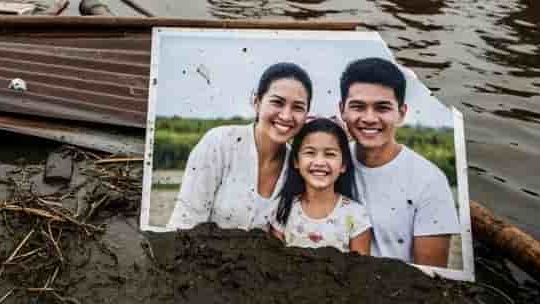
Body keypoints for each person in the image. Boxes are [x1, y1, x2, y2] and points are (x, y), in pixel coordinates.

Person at [339, 58, 458, 267]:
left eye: (382, 108)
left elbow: (431, 276)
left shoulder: (429, 181)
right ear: (342, 110)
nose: (369, 118)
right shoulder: (329, 165)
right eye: (358, 107)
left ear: (401, 113)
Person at [169, 63, 312, 230]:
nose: (286, 115)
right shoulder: (219, 143)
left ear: (307, 114)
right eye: (277, 102)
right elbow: (184, 222)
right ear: (256, 101)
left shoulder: (300, 168)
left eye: (298, 107)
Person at [268, 117, 373, 253]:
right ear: (296, 161)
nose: (319, 162)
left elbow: (362, 269)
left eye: (329, 154)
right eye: (310, 153)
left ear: (343, 165)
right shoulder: (282, 210)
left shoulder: (356, 217)